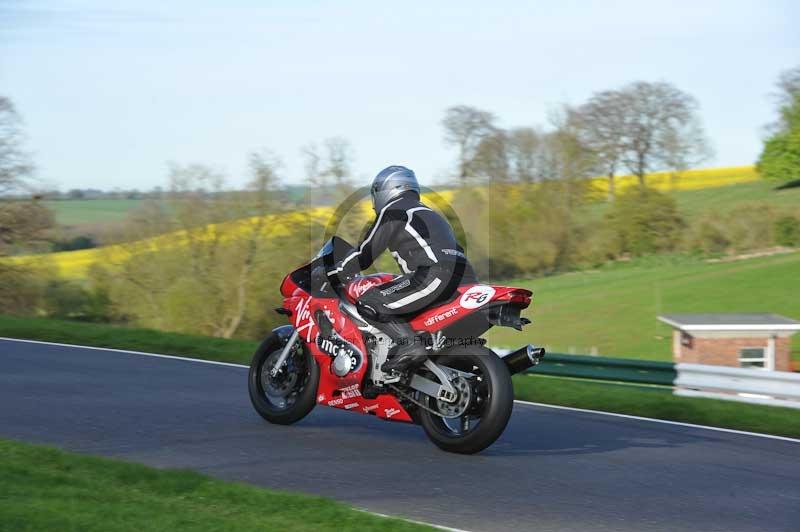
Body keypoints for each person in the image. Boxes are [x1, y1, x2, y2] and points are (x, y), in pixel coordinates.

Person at [326, 165, 477, 374]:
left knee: (371, 300)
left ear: (387, 189)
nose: (373, 204)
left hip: (434, 275)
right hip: (465, 277)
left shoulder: (394, 210)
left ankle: (409, 346)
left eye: (375, 195)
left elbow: (365, 253)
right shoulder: (430, 213)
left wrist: (334, 270)